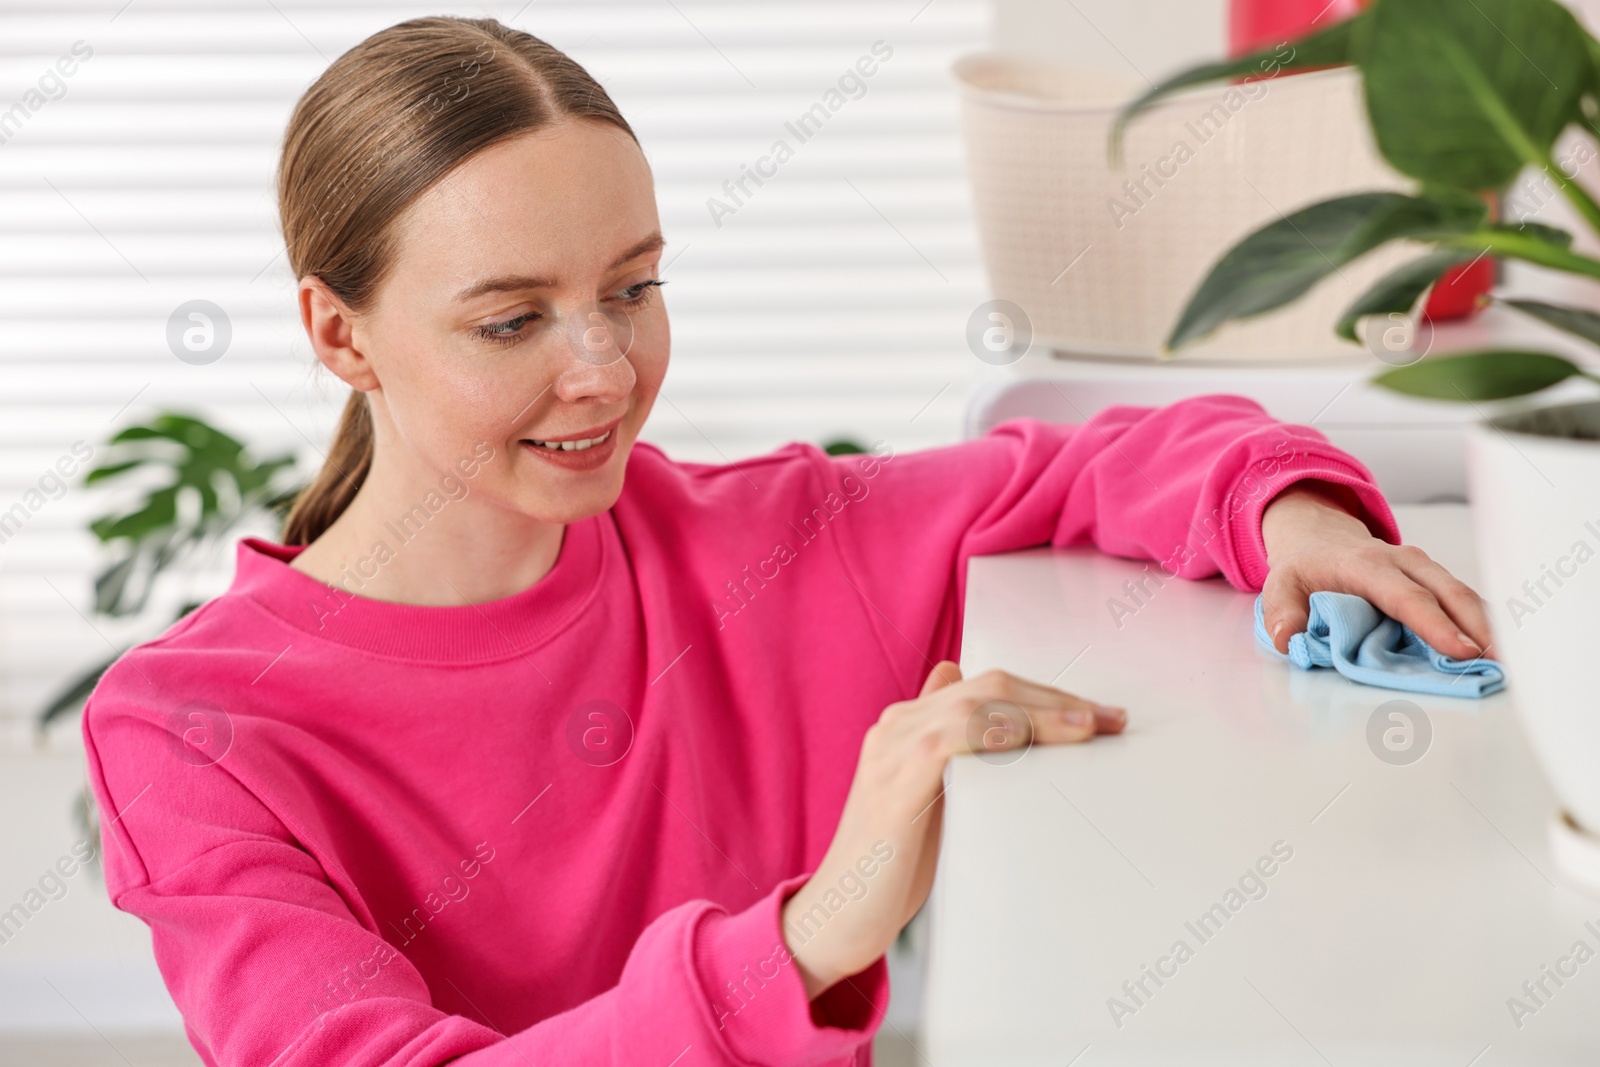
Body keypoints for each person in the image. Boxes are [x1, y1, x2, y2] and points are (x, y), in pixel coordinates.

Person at [81, 16, 1492, 1066]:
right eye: (512, 320)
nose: (605, 371)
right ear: (339, 331)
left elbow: (1085, 462)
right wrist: (816, 931)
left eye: (633, 289)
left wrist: (1287, 512)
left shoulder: (752, 542)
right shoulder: (190, 733)